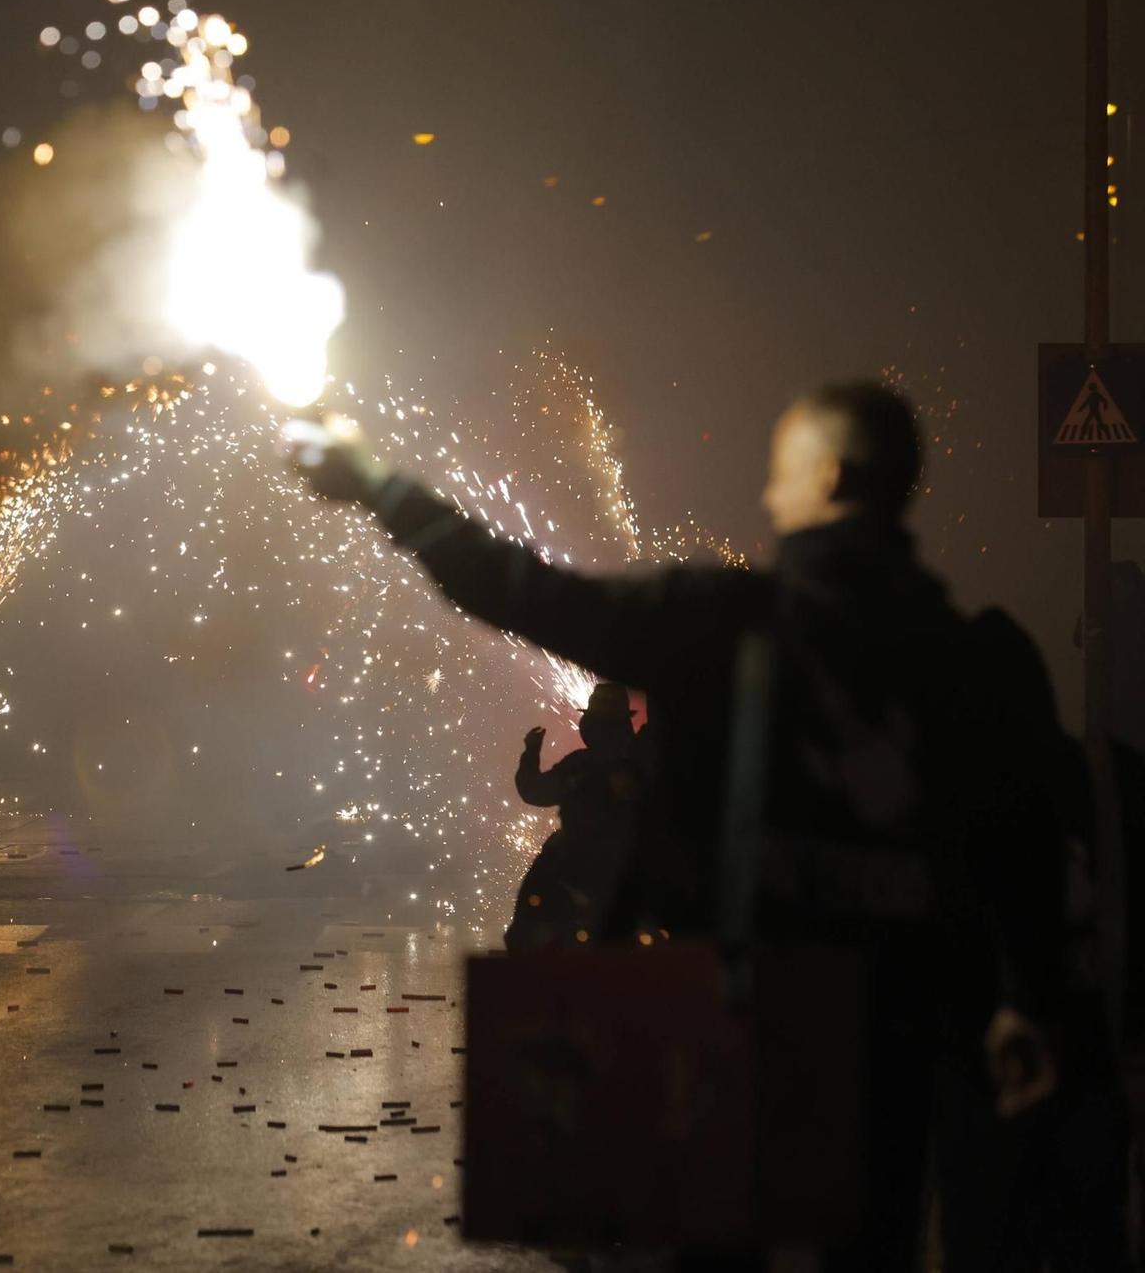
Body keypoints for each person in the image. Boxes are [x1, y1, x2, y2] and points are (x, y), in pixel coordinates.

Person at [288, 381, 1070, 1269]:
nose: (770, 496)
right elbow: (1027, 855)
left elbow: (525, 592)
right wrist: (1028, 1005)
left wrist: (380, 488)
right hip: (900, 1061)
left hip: (729, 1047)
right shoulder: (978, 661)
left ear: (831, 477)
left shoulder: (717, 625)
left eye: (783, 473)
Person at [506, 682, 645, 950]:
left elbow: (535, 791)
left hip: (578, 868)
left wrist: (531, 752)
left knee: (527, 924)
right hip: (625, 869)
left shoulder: (581, 767)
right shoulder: (637, 766)